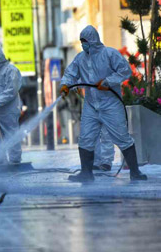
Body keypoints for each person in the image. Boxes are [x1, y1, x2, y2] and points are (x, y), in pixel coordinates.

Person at [60, 25, 147, 182]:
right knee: (85, 137)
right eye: (81, 41)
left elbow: (125, 70)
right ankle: (86, 173)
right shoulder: (80, 58)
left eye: (85, 41)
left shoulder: (109, 54)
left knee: (122, 136)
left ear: (92, 40)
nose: (83, 44)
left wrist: (108, 81)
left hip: (111, 104)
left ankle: (135, 172)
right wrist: (66, 85)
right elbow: (70, 73)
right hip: (91, 105)